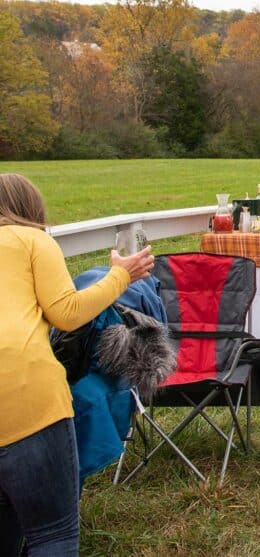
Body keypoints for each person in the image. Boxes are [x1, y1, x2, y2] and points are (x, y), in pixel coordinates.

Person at [0, 173, 154, 556]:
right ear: (30, 211)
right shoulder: (32, 239)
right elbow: (67, 313)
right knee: (52, 534)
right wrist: (122, 274)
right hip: (24, 395)